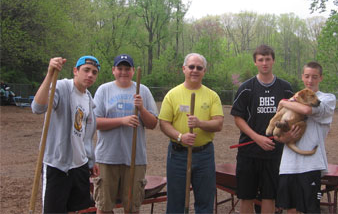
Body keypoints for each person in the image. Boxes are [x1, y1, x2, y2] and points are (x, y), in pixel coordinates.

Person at [31, 55, 101, 213]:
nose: (90, 75)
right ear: (75, 71)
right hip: (58, 166)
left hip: (80, 167)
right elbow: (37, 107)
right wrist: (50, 75)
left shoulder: (89, 99)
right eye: (86, 70)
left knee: (81, 210)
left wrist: (90, 160)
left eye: (94, 72)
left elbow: (86, 136)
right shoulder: (61, 87)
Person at [231, 44, 294, 214]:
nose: (264, 63)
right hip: (249, 151)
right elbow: (238, 118)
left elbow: (292, 117)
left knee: (269, 196)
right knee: (246, 196)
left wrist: (285, 136)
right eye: (260, 60)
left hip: (274, 152)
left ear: (273, 61)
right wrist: (257, 138)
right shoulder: (246, 88)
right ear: (255, 63)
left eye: (267, 59)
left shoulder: (285, 88)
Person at [93, 54, 158, 214]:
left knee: (132, 207)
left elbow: (153, 124)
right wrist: (122, 121)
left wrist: (142, 108)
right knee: (104, 207)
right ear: (113, 70)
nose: (123, 72)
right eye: (120, 68)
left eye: (127, 68)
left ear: (133, 71)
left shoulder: (143, 90)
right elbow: (94, 123)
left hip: (135, 159)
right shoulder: (104, 90)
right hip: (107, 158)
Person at [158, 53, 224, 213]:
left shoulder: (212, 95)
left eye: (199, 68)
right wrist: (181, 137)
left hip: (204, 155)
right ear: (184, 69)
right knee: (176, 201)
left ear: (204, 71)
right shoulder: (172, 95)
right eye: (191, 67)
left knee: (205, 200)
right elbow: (163, 123)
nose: (195, 70)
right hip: (178, 154)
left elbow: (219, 123)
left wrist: (200, 123)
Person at [275, 61, 336, 214]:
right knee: (291, 209)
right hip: (288, 165)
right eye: (307, 76)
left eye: (314, 77)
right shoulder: (294, 99)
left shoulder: (327, 99)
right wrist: (285, 138)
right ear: (302, 77)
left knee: (310, 210)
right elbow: (277, 135)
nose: (310, 81)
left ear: (321, 78)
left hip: (311, 165)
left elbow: (307, 109)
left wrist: (283, 102)